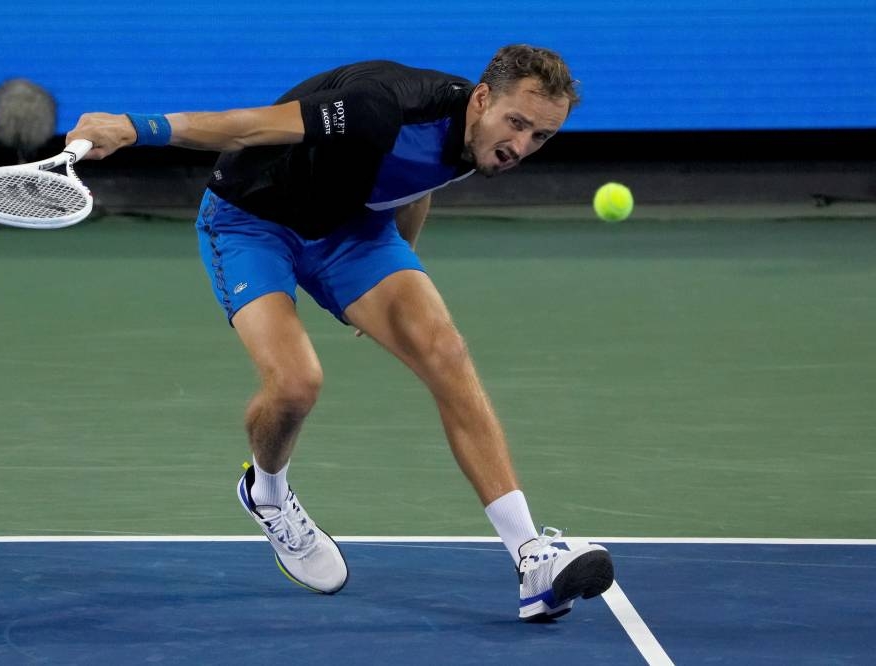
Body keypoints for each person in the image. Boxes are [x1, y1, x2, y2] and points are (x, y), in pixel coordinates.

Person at [68, 44, 614, 622]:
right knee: (297, 385)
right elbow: (249, 128)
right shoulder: (379, 107)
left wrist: (399, 276)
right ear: (482, 99)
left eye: (542, 137)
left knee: (445, 351)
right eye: (518, 124)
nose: (522, 147)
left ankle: (532, 558)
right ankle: (267, 493)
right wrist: (134, 127)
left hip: (353, 232)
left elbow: (416, 180)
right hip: (252, 223)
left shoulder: (477, 139)